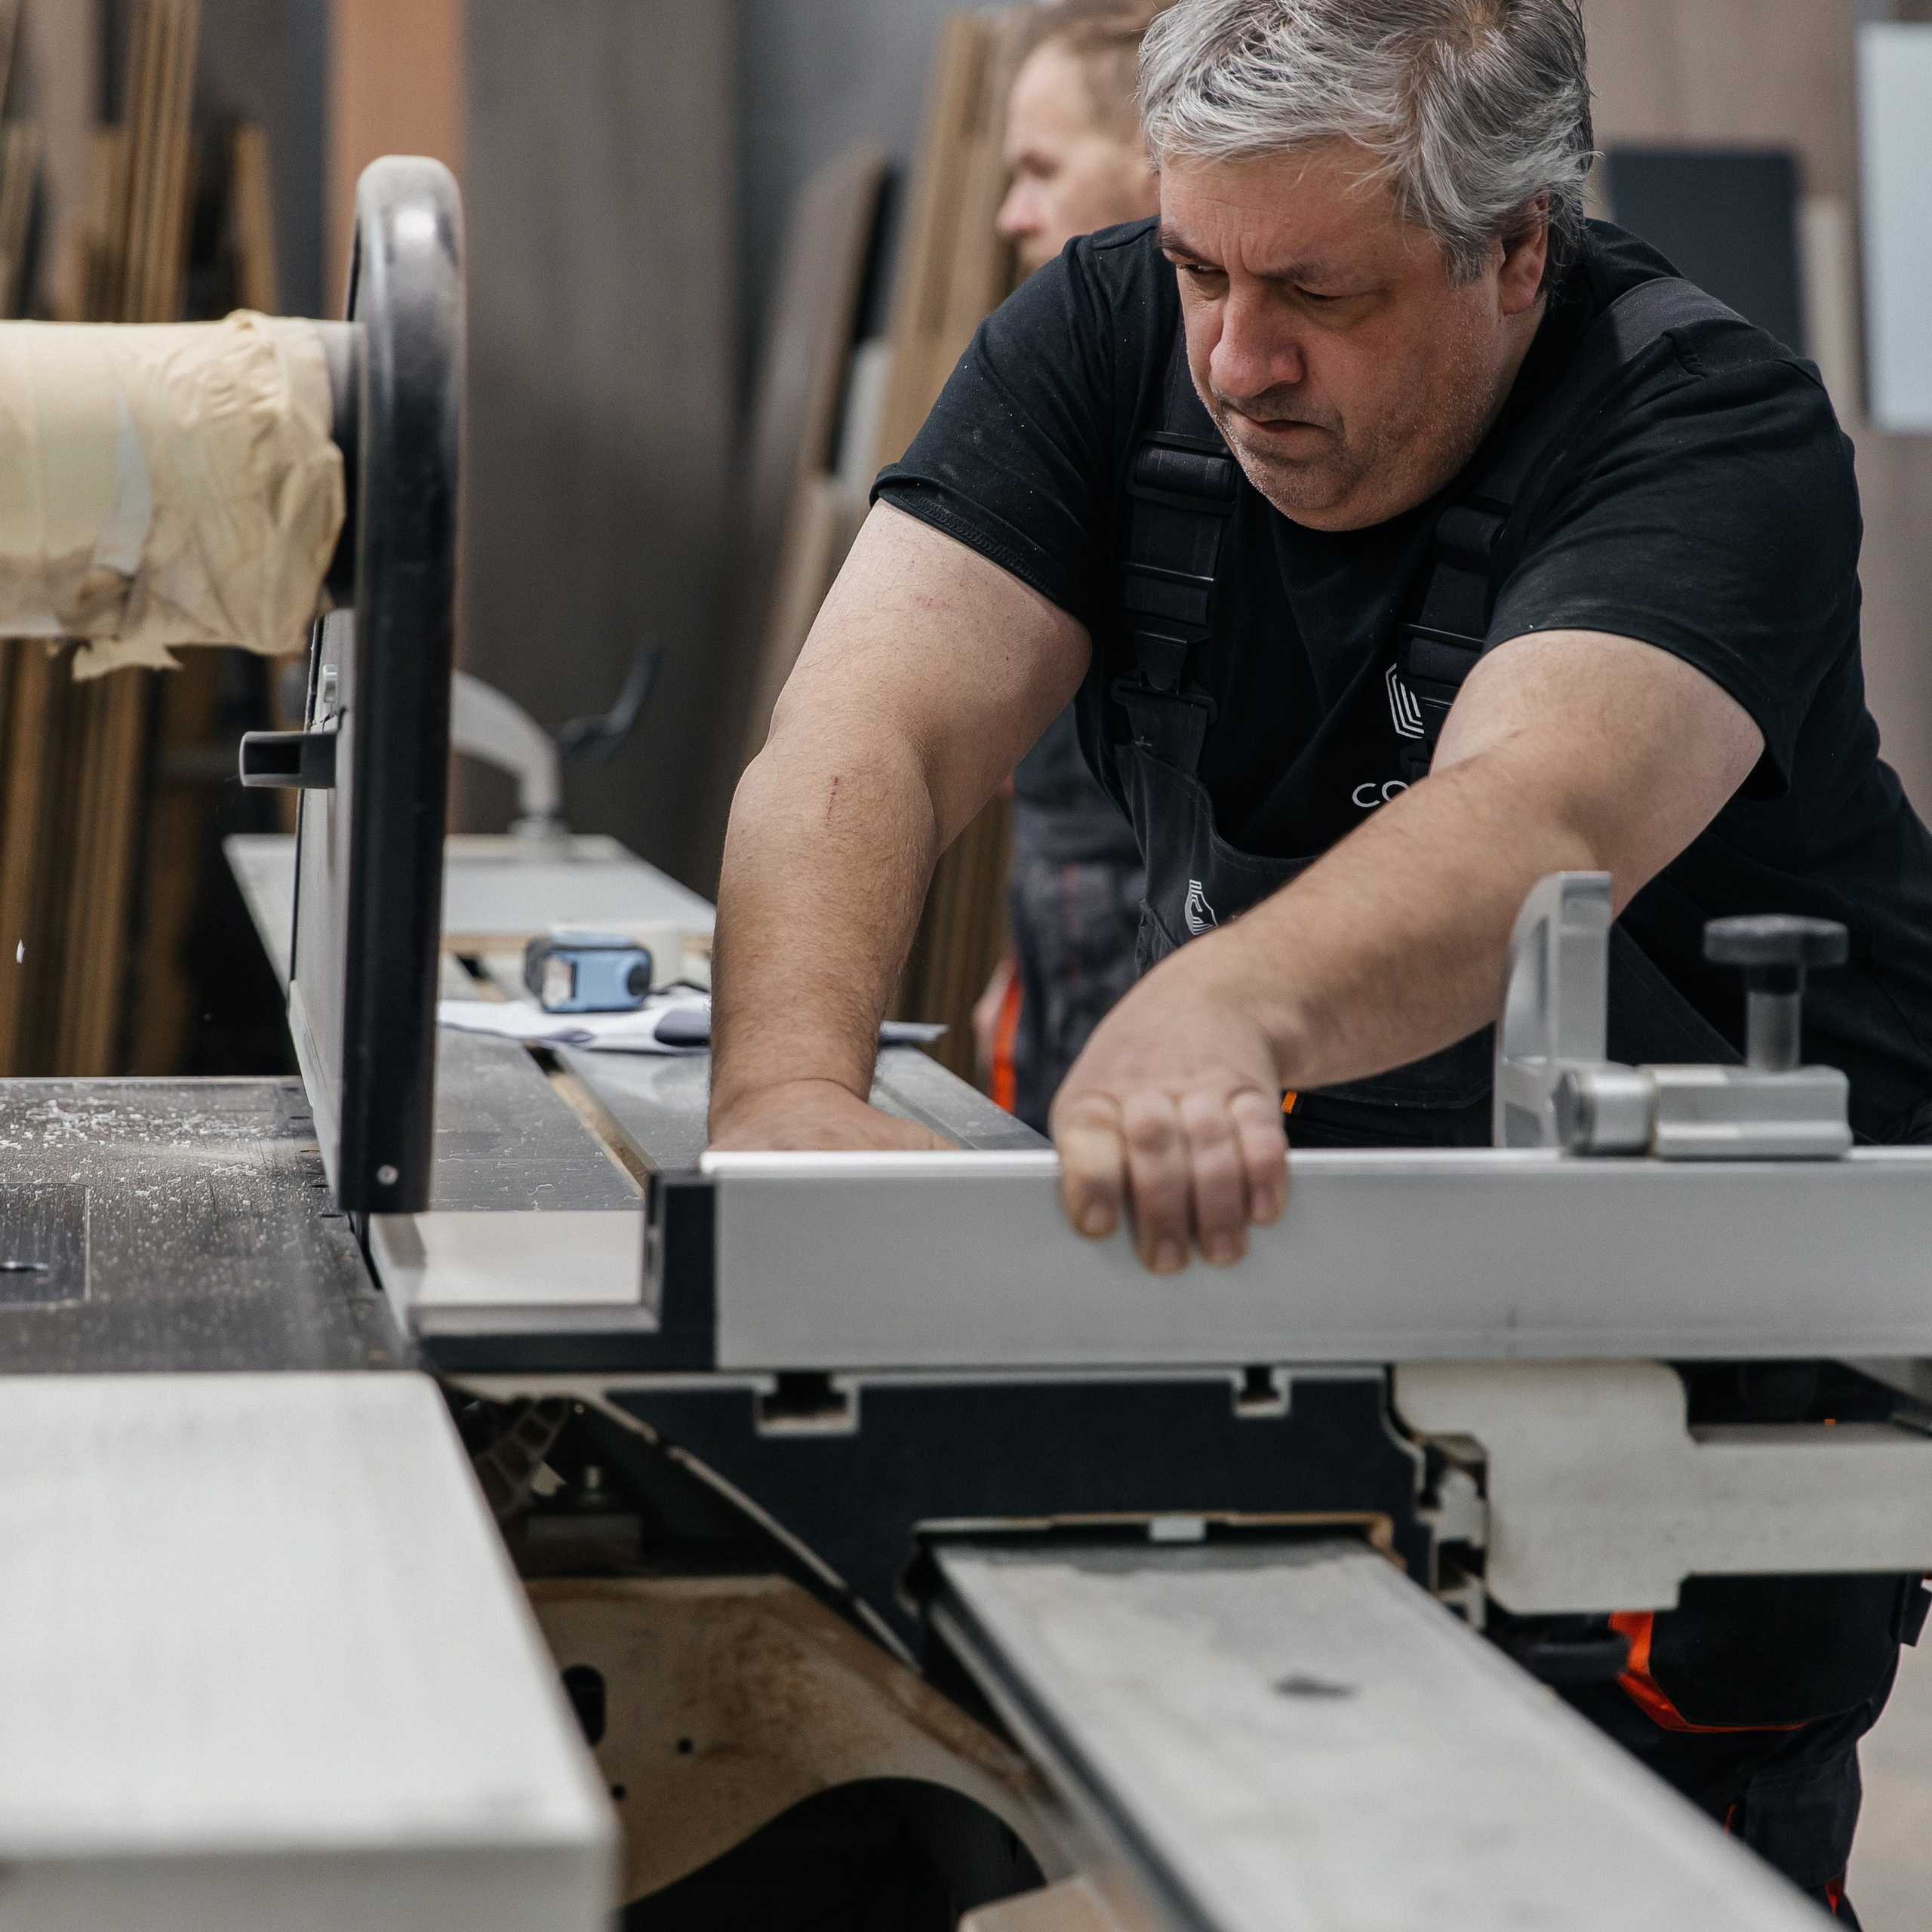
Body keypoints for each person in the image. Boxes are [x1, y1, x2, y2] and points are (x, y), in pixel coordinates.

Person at [709, 0, 1932, 1910]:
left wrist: (1205, 1002)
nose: (1231, 357)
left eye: (1315, 292)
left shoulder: (1704, 426)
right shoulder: (1104, 336)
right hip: (1319, 1316)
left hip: (1690, 1381)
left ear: (1514, 247)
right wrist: (785, 1093)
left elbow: (1532, 823)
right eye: (1198, 265)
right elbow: (867, 727)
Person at [972, 0, 1163, 1133]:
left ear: (1154, 163)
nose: (1010, 213)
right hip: (1060, 881)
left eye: (1041, 168)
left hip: (1139, 898)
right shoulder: (1068, 389)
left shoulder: (1219, 406)